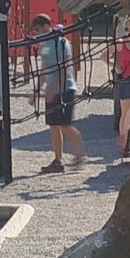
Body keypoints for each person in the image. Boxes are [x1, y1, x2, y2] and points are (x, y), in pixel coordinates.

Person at [31, 15, 83, 173]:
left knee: (65, 125)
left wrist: (54, 89)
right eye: (35, 30)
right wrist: (36, 91)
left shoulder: (60, 42)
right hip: (52, 90)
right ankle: (57, 161)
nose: (37, 33)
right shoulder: (44, 44)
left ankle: (79, 155)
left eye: (38, 29)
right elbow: (43, 69)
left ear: (46, 26)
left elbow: (63, 68)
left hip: (65, 89)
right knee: (53, 126)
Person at [113, 19, 130, 159]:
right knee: (126, 113)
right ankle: (124, 144)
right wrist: (116, 68)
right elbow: (103, 56)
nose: (129, 32)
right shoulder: (120, 43)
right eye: (127, 29)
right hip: (126, 80)